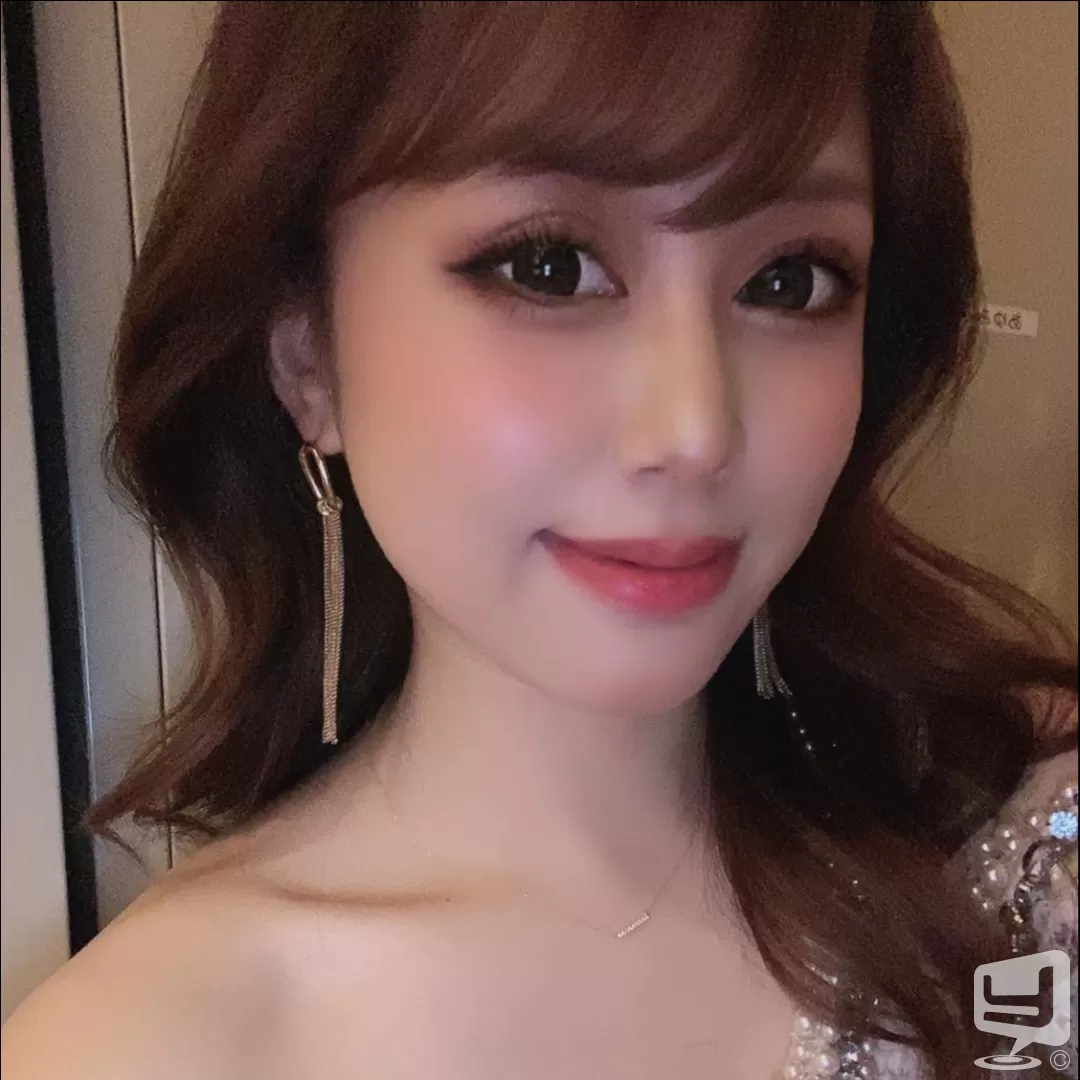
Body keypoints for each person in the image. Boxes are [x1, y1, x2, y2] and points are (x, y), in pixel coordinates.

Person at [3, 3, 1076, 1078]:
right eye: (551, 267)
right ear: (306, 356)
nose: (695, 430)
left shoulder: (1024, 857)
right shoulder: (137, 1048)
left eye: (788, 280)